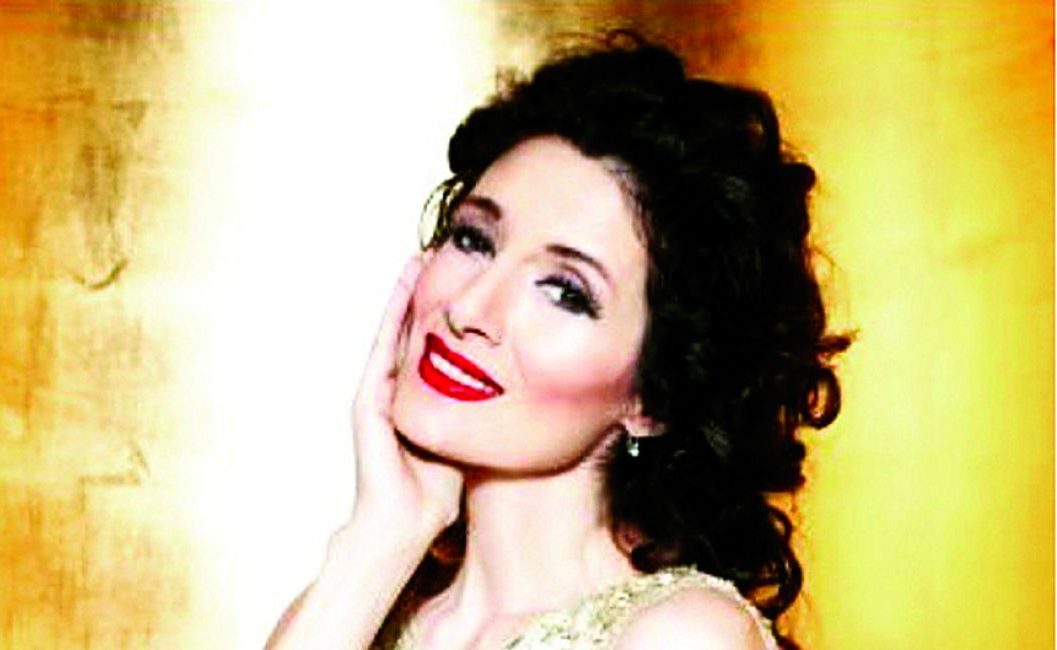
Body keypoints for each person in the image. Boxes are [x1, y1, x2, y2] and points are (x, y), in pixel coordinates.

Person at [267, 32, 849, 650]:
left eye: (565, 292)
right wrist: (380, 537)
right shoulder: (361, 596)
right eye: (474, 240)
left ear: (654, 397)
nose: (468, 309)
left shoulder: (683, 634)